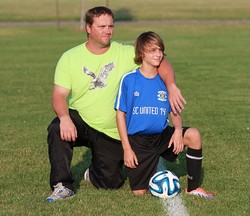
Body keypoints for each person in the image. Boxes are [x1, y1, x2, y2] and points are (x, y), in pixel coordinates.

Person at [46, 7, 186, 202]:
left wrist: (171, 86)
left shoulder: (125, 52)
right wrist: (64, 117)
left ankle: (92, 173)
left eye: (110, 26)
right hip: (82, 120)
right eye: (101, 26)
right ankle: (62, 185)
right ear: (88, 28)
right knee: (56, 127)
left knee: (110, 182)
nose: (107, 30)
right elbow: (59, 96)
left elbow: (161, 63)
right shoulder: (70, 57)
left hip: (112, 131)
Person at [115, 31, 215, 198]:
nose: (158, 54)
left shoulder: (165, 81)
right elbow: (120, 115)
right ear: (141, 53)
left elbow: (174, 109)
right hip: (139, 142)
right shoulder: (129, 80)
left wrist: (177, 130)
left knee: (193, 135)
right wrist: (127, 148)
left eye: (160, 50)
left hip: (162, 136)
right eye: (152, 50)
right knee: (139, 193)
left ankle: (193, 187)